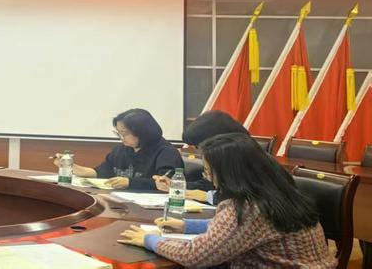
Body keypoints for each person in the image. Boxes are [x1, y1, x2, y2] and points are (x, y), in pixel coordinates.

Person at [119, 133, 335, 268]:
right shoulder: (277, 192)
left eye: (208, 171)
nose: (207, 177)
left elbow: (195, 256)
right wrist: (187, 226)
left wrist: (149, 240)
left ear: (230, 173)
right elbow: (241, 228)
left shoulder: (249, 207)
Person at [53, 108, 182, 191]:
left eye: (124, 133)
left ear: (142, 132)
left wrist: (130, 183)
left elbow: (167, 184)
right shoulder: (122, 150)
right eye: (118, 133)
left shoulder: (166, 153)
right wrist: (71, 166)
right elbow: (101, 172)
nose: (121, 138)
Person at [153, 110, 249, 201]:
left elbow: (247, 198)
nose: (200, 152)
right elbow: (207, 185)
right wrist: (176, 185)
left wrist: (210, 197)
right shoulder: (221, 155)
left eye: (199, 146)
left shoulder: (244, 157)